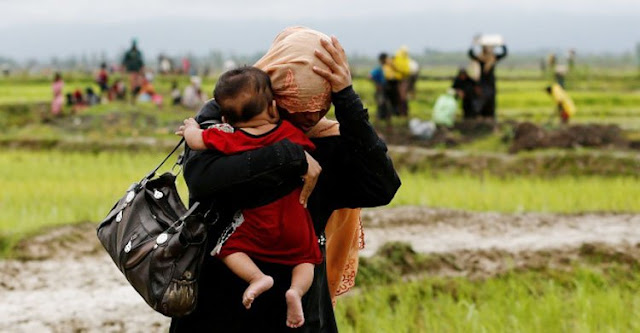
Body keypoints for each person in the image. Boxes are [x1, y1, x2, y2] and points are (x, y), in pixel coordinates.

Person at [170, 26, 401, 332]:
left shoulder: (329, 144)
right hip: (219, 311)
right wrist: (288, 156)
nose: (310, 116)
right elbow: (200, 179)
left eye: (323, 103)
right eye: (299, 104)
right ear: (272, 93)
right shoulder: (227, 120)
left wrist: (348, 100)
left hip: (299, 317)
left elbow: (382, 186)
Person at [177, 67, 323, 328]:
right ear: (273, 108)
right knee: (307, 258)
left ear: (225, 118)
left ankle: (257, 278)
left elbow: (197, 141)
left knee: (228, 250)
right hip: (296, 219)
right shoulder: (288, 135)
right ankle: (296, 292)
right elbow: (309, 146)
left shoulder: (230, 137)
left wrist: (191, 128)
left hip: (257, 223)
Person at [468, 44, 507, 119]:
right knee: (482, 101)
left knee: (491, 102)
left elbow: (504, 54)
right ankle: (481, 118)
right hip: (483, 84)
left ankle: (490, 118)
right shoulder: (480, 58)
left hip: (490, 84)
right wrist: (473, 44)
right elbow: (471, 54)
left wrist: (502, 44)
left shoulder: (493, 58)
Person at [369, 53, 391, 129]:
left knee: (386, 106)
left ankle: (386, 126)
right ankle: (378, 126)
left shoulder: (385, 68)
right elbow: (370, 76)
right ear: (383, 59)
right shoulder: (379, 69)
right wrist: (377, 84)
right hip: (381, 90)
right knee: (381, 106)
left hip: (384, 90)